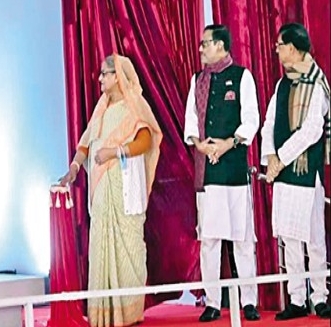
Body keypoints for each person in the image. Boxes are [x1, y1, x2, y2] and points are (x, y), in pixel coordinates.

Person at [59, 54, 163, 327]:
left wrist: (115, 152)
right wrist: (74, 168)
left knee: (129, 247)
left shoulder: (133, 106)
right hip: (101, 191)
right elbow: (86, 142)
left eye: (105, 73)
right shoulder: (101, 108)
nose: (100, 79)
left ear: (118, 76)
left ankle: (128, 313)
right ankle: (104, 314)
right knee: (101, 246)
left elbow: (145, 140)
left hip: (124, 189)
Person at [183, 25, 260, 322]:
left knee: (243, 239)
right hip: (208, 173)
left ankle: (249, 301)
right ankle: (213, 302)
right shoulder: (198, 80)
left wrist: (228, 144)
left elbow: (251, 119)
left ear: (220, 45)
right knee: (210, 240)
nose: (201, 48)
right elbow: (191, 120)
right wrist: (200, 145)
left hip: (235, 169)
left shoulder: (242, 76)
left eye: (205, 43)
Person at [260, 23, 330, 320]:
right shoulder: (281, 85)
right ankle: (297, 299)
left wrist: (282, 159)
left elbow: (312, 130)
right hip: (284, 171)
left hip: (305, 171)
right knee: (289, 237)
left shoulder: (317, 84)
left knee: (313, 238)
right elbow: (269, 124)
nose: (276, 50)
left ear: (292, 47)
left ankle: (320, 297)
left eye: (279, 45)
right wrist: (270, 157)